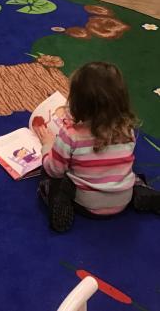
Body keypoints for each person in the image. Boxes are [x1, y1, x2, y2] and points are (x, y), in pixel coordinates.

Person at [34, 61, 160, 233]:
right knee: (130, 173)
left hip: (87, 204)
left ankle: (60, 201)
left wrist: (47, 146)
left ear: (77, 103)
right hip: (123, 198)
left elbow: (54, 169)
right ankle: (142, 191)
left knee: (51, 177)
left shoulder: (70, 135)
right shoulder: (127, 130)